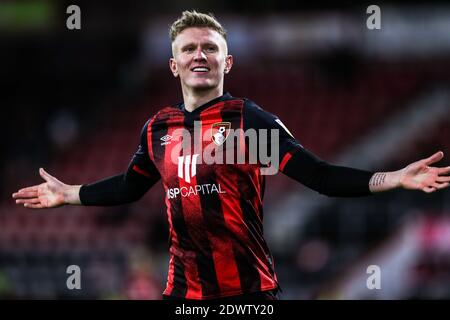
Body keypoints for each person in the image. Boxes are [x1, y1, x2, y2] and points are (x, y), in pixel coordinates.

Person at [12, 10, 450, 300]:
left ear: (228, 63)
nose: (199, 56)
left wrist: (392, 178)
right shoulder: (158, 129)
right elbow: (129, 186)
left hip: (247, 296)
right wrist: (70, 194)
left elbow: (320, 176)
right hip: (183, 295)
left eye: (210, 49)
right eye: (188, 49)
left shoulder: (249, 121)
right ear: (173, 65)